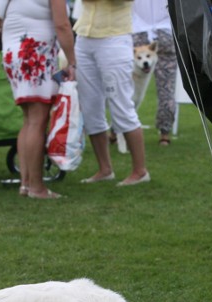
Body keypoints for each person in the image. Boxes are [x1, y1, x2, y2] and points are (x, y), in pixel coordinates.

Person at [0, 0, 76, 199]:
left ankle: (26, 183)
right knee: (38, 121)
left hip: (12, 53)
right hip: (36, 52)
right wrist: (73, 62)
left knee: (29, 120)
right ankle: (37, 188)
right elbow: (62, 25)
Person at [74, 0, 150, 186]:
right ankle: (104, 169)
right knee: (90, 108)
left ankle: (140, 171)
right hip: (84, 37)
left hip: (114, 39)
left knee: (122, 106)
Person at [132, 0, 176, 146]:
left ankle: (117, 129)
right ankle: (165, 133)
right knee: (166, 88)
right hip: (165, 34)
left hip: (139, 34)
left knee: (127, 88)